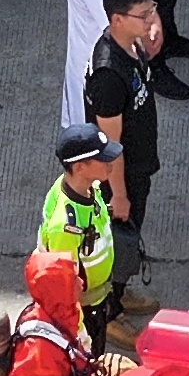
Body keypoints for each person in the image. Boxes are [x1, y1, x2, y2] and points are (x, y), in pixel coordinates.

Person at [83, 0, 168, 273]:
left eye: (151, 11)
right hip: (121, 174)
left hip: (139, 161)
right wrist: (119, 195)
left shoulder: (131, 44)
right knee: (118, 242)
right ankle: (112, 308)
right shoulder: (108, 75)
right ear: (117, 19)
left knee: (128, 240)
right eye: (143, 15)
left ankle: (120, 290)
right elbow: (111, 145)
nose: (150, 19)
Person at [40, 126, 124, 341]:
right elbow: (64, 290)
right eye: (102, 159)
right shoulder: (65, 226)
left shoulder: (87, 187)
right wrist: (79, 335)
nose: (110, 163)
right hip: (86, 311)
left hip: (99, 297)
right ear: (79, 167)